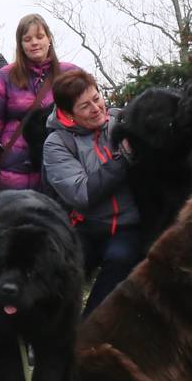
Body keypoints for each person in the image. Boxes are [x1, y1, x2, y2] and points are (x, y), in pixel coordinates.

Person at [39, 70, 142, 316]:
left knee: (120, 259)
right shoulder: (57, 143)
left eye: (97, 98)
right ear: (68, 113)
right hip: (85, 225)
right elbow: (81, 193)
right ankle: (50, 327)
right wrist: (123, 159)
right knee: (60, 271)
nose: (96, 109)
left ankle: (93, 326)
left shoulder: (122, 123)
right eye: (85, 106)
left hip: (128, 224)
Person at [0, 14, 78, 197]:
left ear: (49, 39)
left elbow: (87, 115)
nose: (34, 43)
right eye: (27, 39)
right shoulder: (5, 76)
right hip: (14, 172)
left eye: (39, 37)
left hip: (61, 168)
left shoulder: (70, 73)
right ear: (20, 44)